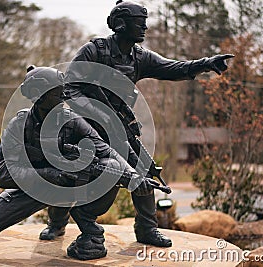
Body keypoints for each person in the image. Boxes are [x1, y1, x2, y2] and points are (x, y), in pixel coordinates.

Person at [40, 0, 234, 247]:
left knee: (142, 170)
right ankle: (57, 223)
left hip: (120, 130)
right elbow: (70, 88)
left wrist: (205, 63)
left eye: (145, 23)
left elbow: (172, 68)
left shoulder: (139, 57)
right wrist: (101, 115)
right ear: (121, 24)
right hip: (83, 128)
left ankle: (146, 229)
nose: (144, 28)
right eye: (139, 23)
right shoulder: (94, 51)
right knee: (70, 174)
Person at [0, 66, 148, 260]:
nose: (64, 94)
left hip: (68, 186)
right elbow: (3, 174)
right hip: (35, 188)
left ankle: (82, 230)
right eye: (58, 91)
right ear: (40, 96)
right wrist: (50, 174)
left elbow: (104, 150)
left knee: (109, 167)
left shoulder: (72, 121)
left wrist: (134, 176)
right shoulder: (19, 125)